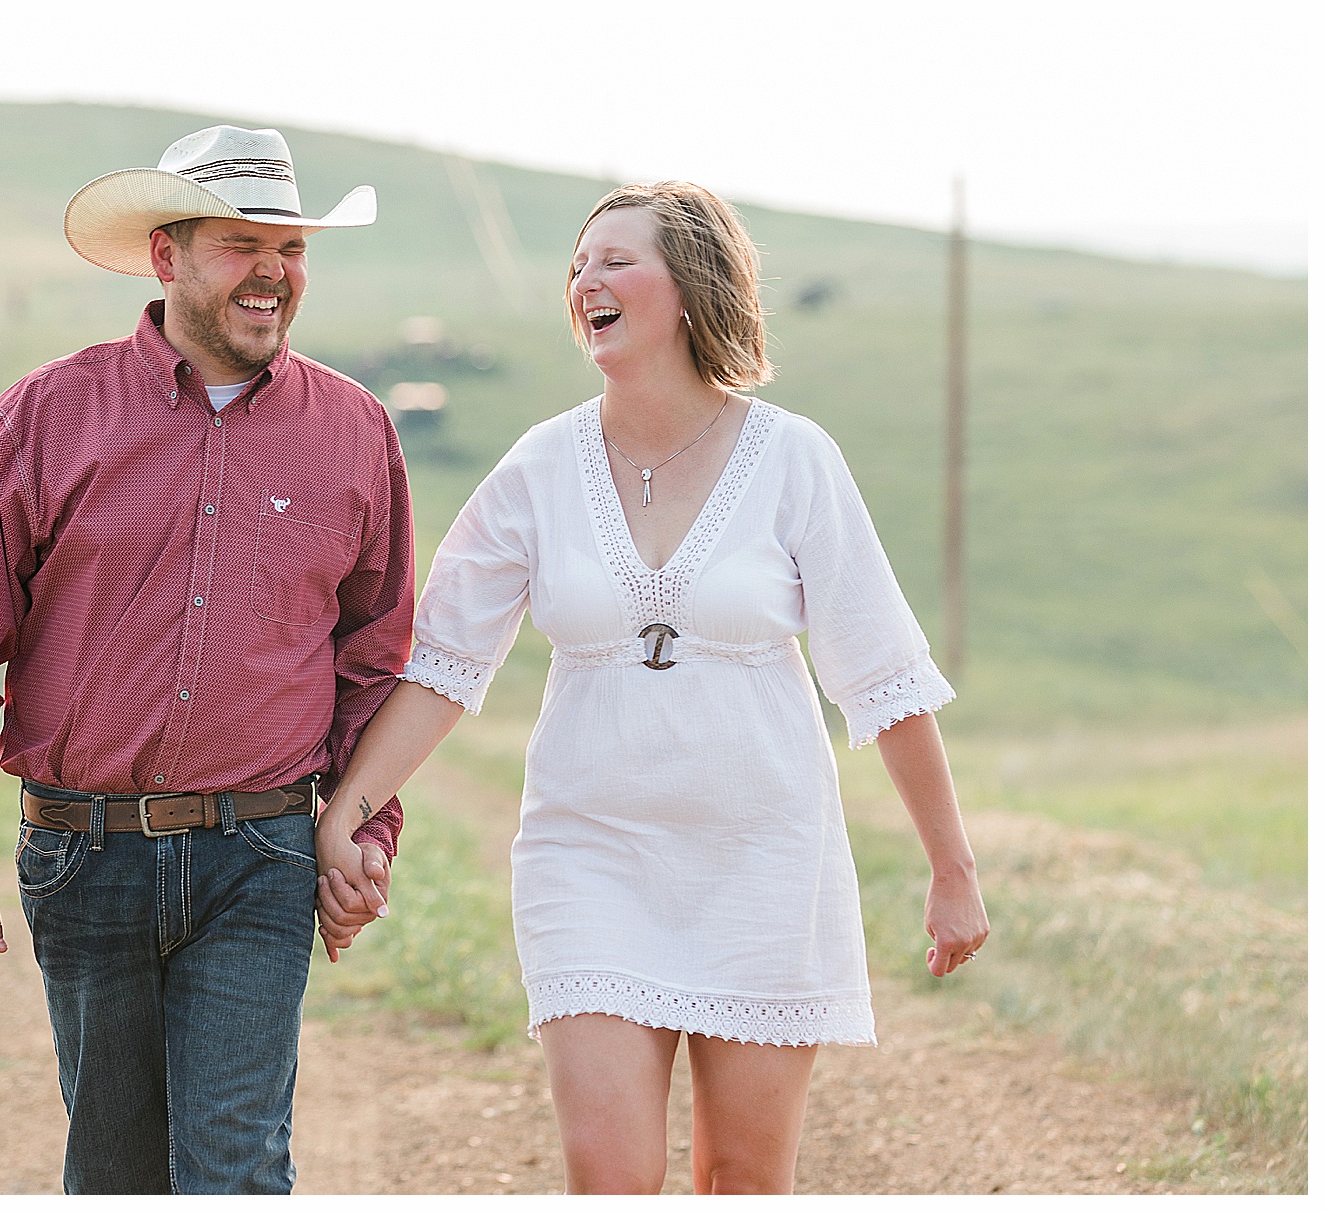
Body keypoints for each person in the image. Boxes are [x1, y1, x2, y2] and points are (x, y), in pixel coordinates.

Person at [312, 182, 991, 1194]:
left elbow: (882, 678)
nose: (588, 279)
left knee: (743, 1186)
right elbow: (444, 669)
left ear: (690, 287)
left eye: (616, 259)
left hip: (762, 861)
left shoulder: (795, 460)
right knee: (609, 1183)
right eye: (579, 265)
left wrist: (952, 867)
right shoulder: (539, 468)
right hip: (589, 860)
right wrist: (347, 815)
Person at [0, 125, 412, 1195]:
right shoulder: (46, 415)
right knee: (114, 1171)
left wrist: (364, 826)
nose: (273, 271)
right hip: (84, 858)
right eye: (240, 244)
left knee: (237, 1166)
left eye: (292, 249)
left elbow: (376, 657)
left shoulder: (354, 431)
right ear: (167, 257)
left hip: (261, 855)